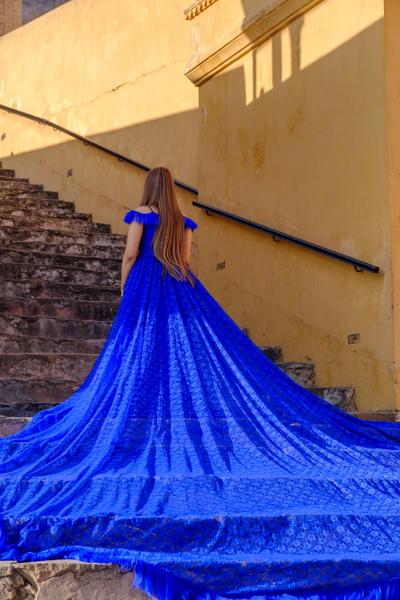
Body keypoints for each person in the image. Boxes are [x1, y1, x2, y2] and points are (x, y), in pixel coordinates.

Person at [0, 166, 400, 600]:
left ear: (148, 188)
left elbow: (131, 257)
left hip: (145, 295)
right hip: (180, 292)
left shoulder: (139, 216)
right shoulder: (182, 222)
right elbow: (184, 263)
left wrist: (125, 290)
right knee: (180, 362)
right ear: (171, 191)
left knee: (139, 360)